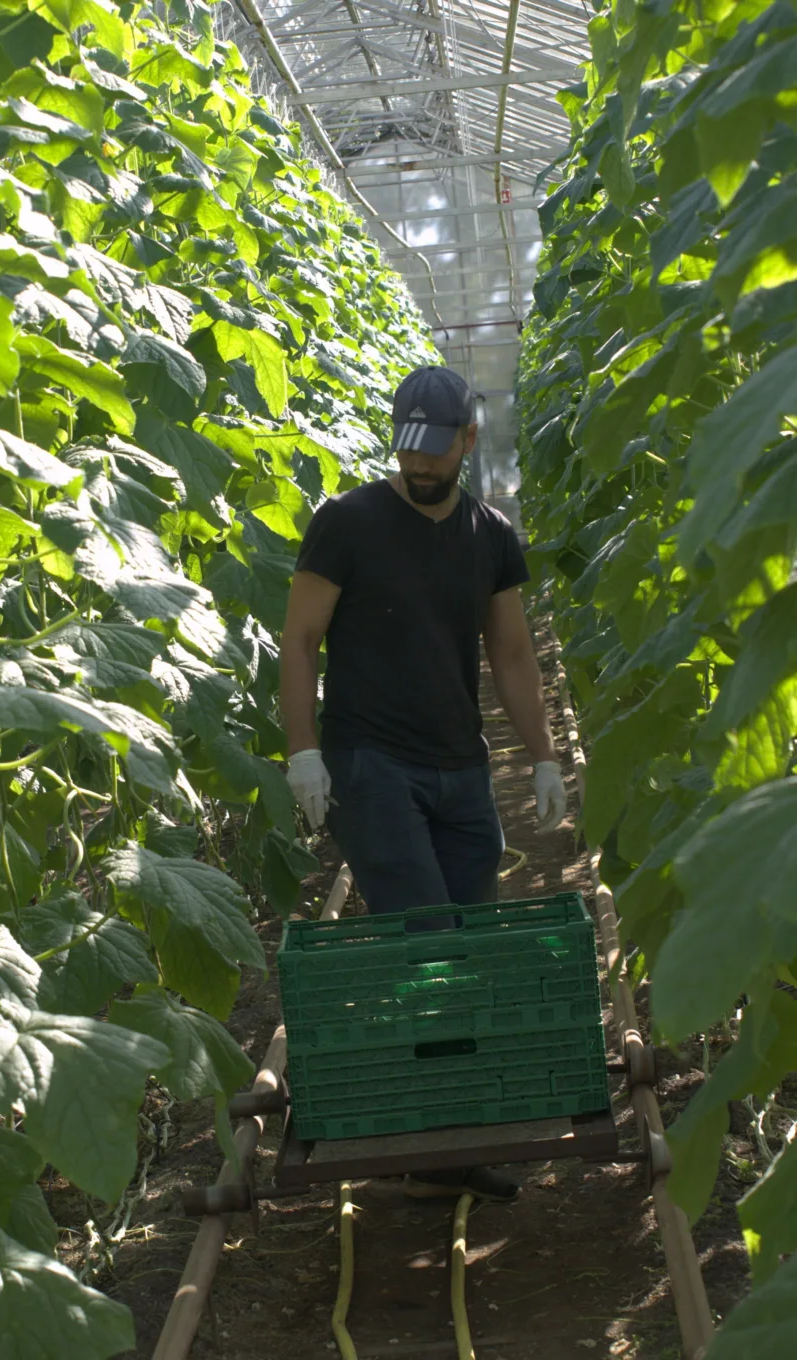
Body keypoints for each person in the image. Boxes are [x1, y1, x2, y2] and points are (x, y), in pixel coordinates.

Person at [278, 365, 567, 1203]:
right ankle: (435, 1136)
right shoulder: (347, 525)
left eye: (437, 449)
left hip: (461, 768)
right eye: (409, 447)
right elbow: (300, 641)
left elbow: (511, 654)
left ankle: (445, 1125)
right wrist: (304, 752)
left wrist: (543, 753)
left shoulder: (489, 535)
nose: (420, 464)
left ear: (467, 442)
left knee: (465, 944)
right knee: (430, 937)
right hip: (371, 764)